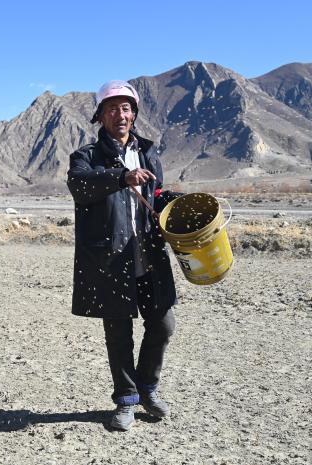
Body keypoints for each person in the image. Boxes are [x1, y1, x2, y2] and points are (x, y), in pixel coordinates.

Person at [66, 80, 181, 431]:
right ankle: (126, 400)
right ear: (100, 116)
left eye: (126, 108)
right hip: (111, 260)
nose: (121, 114)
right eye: (113, 108)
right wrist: (121, 177)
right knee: (118, 334)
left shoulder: (148, 153)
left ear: (134, 114)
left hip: (148, 256)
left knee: (163, 324)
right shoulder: (86, 156)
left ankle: (147, 387)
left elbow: (155, 193)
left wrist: (173, 200)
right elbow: (80, 186)